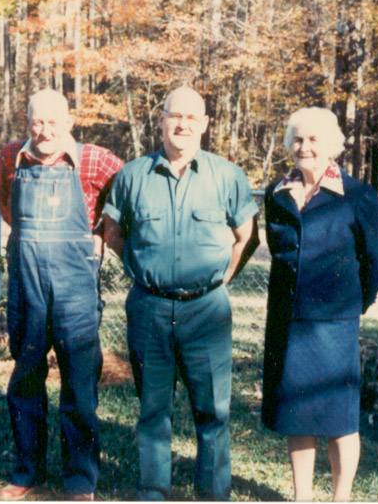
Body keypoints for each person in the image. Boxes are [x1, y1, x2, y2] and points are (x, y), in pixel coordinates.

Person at [103, 86, 260, 501]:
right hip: (149, 307)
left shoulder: (227, 176)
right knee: (153, 409)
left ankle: (212, 494)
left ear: (205, 124)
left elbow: (246, 236)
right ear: (161, 120)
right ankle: (153, 490)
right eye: (175, 116)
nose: (183, 124)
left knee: (213, 412)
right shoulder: (132, 176)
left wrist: (221, 279)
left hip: (206, 311)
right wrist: (143, 269)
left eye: (193, 118)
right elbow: (113, 234)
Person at [0, 88, 124, 501]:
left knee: (79, 382)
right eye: (37, 121)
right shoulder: (10, 156)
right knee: (26, 376)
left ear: (69, 122)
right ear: (26, 121)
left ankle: (80, 480)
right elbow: (5, 206)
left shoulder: (94, 159)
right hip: (26, 285)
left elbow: (128, 191)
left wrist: (105, 230)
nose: (45, 130)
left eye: (54, 122)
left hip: (75, 287)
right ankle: (26, 471)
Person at [261, 107, 378, 502]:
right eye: (298, 139)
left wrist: (355, 302)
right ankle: (302, 496)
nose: (305, 147)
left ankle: (341, 496)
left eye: (314, 140)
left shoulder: (356, 196)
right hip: (288, 322)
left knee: (339, 419)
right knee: (296, 415)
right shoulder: (277, 194)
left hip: (335, 324)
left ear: (332, 146)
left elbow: (377, 259)